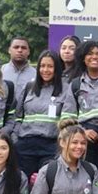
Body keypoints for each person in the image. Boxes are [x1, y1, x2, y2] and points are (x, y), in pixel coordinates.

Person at [14, 50, 65, 178]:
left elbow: (66, 121)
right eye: (42, 66)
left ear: (57, 68)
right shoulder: (29, 87)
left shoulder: (65, 89)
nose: (45, 70)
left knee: (45, 183)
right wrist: (15, 139)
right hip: (25, 144)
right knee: (23, 184)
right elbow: (18, 116)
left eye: (50, 66)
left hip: (50, 146)